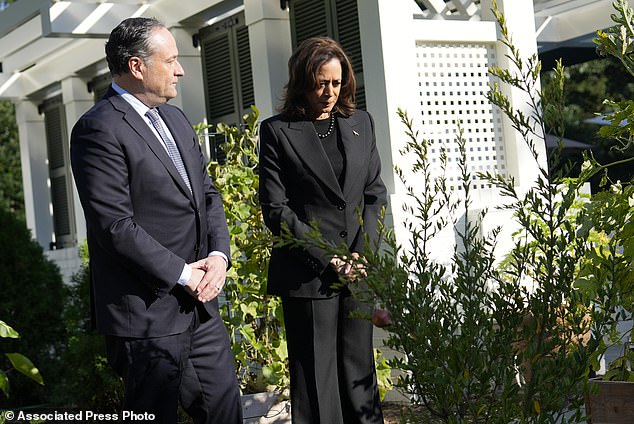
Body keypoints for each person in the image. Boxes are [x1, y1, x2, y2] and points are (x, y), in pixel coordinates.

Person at [70, 17, 242, 424]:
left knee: (225, 413)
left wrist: (219, 256)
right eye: (171, 61)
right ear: (136, 66)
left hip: (201, 308)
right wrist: (184, 274)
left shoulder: (177, 120)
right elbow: (114, 226)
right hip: (145, 314)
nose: (180, 70)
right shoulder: (97, 129)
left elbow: (208, 194)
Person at [259, 36, 387, 424]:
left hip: (357, 271)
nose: (329, 92)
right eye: (320, 84)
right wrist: (327, 258)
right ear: (302, 81)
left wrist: (362, 254)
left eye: (336, 82)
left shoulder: (360, 122)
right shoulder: (278, 131)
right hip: (307, 275)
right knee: (317, 384)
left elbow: (374, 195)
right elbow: (276, 209)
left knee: (359, 376)